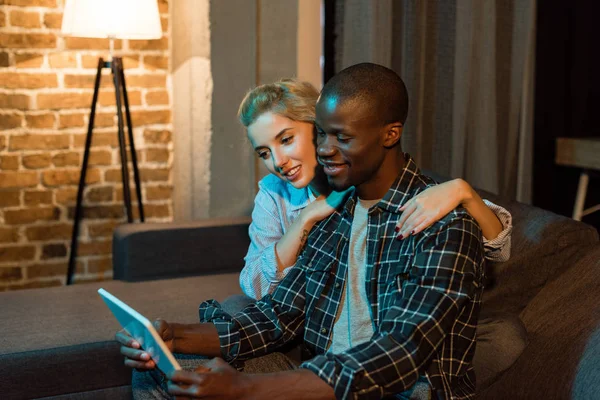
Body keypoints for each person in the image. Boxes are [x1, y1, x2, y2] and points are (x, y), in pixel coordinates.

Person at [118, 63, 505, 399]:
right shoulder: (336, 208)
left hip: (398, 391)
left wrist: (247, 390)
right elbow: (278, 314)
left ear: (390, 135)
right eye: (321, 134)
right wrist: (172, 335)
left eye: (343, 137)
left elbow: (401, 353)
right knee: (158, 371)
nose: (325, 150)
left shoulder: (442, 219)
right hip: (317, 379)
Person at [236, 79, 512, 301]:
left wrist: (464, 192)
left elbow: (499, 250)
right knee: (234, 314)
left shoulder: (364, 170)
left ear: (318, 127)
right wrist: (305, 219)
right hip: (312, 319)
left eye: (286, 140)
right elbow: (256, 286)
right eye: (264, 153)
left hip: (390, 320)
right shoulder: (274, 193)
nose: (278, 161)